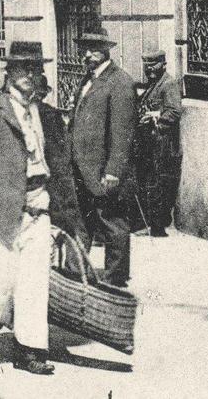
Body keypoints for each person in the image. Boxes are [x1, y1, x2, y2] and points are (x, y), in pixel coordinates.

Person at [0, 67, 79, 375]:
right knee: (0, 279)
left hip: (39, 205)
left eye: (34, 69)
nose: (29, 76)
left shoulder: (49, 116)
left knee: (34, 282)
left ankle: (28, 350)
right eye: (22, 69)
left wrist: (68, 218)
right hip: (2, 210)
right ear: (10, 74)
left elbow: (62, 167)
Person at [69, 29, 137, 287]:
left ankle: (115, 280)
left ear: (106, 50)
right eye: (84, 48)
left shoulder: (120, 82)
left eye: (93, 48)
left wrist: (113, 171)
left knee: (112, 224)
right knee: (82, 223)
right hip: (82, 170)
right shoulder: (87, 80)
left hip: (104, 172)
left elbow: (122, 133)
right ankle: (77, 277)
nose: (87, 54)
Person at [134, 49, 182, 237]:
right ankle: (152, 223)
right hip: (151, 144)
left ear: (163, 65)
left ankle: (159, 226)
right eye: (147, 66)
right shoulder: (153, 85)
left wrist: (156, 117)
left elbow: (174, 113)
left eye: (153, 65)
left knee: (160, 185)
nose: (149, 69)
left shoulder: (168, 84)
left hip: (164, 146)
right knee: (150, 184)